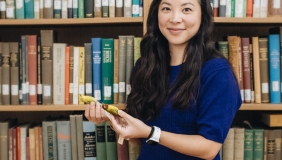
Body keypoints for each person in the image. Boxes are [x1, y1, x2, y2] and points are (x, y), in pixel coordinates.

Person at [84, 0, 242, 159]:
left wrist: (150, 132)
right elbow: (137, 139)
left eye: (186, 9)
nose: (175, 18)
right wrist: (114, 120)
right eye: (166, 8)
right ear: (156, 14)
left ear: (203, 16)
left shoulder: (218, 73)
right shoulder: (146, 66)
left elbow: (209, 148)